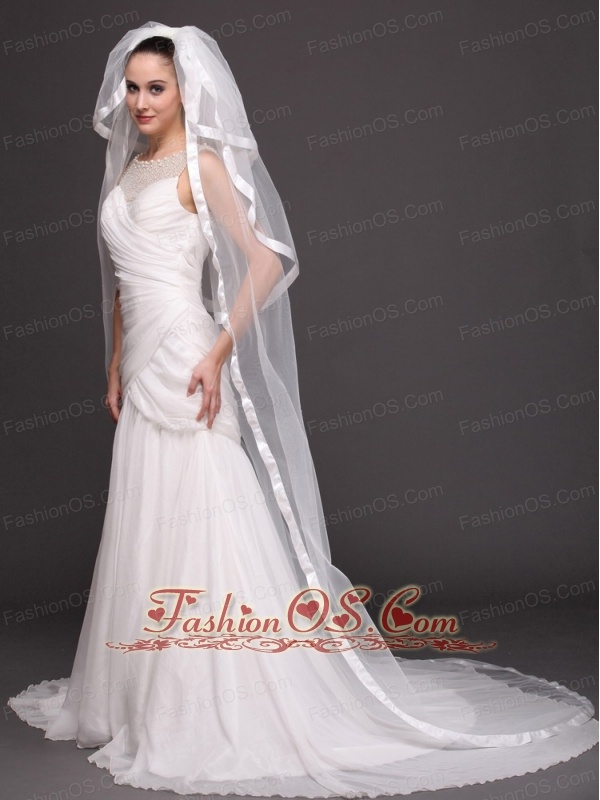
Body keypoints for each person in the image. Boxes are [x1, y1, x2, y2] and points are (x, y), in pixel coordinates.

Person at [8, 21, 598, 798]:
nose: (142, 100)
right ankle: (142, 694)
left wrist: (219, 350)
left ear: (185, 92)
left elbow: (268, 259)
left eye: (157, 87)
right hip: (142, 360)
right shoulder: (128, 171)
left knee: (201, 512)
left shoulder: (202, 165)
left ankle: (214, 699)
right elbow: (122, 280)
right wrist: (114, 362)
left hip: (187, 358)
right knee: (146, 514)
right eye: (134, 87)